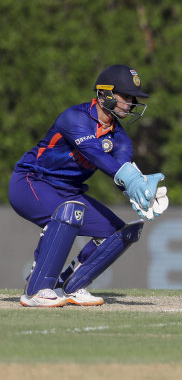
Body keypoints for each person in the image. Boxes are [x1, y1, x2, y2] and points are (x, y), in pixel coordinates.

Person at [9, 64, 169, 307]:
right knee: (69, 213)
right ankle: (37, 289)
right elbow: (94, 154)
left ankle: (73, 285)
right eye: (125, 96)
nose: (130, 102)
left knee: (118, 233)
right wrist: (131, 178)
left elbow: (120, 171)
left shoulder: (121, 139)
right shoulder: (74, 118)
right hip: (31, 182)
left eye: (132, 98)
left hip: (69, 191)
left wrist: (142, 193)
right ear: (104, 93)